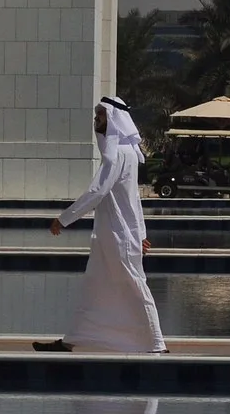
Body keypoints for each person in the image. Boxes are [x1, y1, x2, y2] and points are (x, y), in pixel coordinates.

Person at [33, 97, 168, 353]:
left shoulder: (117, 154)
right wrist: (141, 234)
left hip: (118, 238)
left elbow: (97, 192)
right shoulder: (125, 152)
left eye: (101, 115)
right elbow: (133, 200)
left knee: (136, 287)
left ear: (114, 119)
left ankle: (157, 344)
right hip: (111, 237)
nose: (96, 120)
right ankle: (71, 341)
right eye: (96, 115)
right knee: (93, 289)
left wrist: (64, 219)